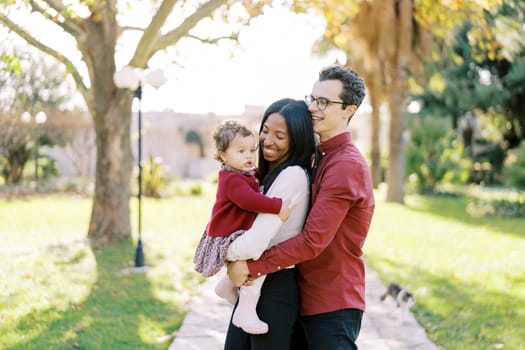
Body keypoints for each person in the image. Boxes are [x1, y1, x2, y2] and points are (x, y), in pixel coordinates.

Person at [227, 64, 375, 350]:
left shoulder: (345, 165)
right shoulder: (315, 158)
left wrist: (251, 267)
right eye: (312, 99)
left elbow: (312, 240)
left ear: (349, 110)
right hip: (299, 293)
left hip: (332, 302)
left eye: (324, 102)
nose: (313, 108)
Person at [223, 98, 316, 349]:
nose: (268, 140)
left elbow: (254, 243)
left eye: (280, 136)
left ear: (296, 140)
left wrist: (223, 251)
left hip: (274, 287)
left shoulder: (292, 175)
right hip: (254, 284)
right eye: (265, 130)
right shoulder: (264, 175)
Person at [193, 120, 291, 335]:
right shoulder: (231, 179)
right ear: (224, 155)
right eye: (241, 151)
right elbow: (249, 200)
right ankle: (245, 310)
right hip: (226, 234)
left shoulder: (244, 174)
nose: (249, 156)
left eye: (251, 150)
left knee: (257, 255)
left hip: (235, 231)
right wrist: (278, 206)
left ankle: (227, 286)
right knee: (258, 258)